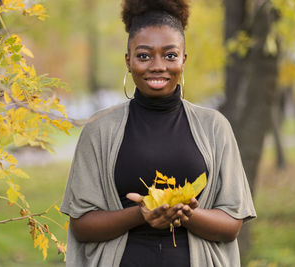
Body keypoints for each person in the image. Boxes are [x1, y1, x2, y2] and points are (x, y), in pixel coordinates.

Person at [60, 0, 257, 266]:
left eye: (170, 55)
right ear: (128, 61)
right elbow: (81, 225)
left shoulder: (214, 127)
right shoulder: (99, 131)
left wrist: (183, 213)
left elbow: (232, 224)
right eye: (144, 55)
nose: (157, 65)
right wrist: (141, 213)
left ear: (183, 60)